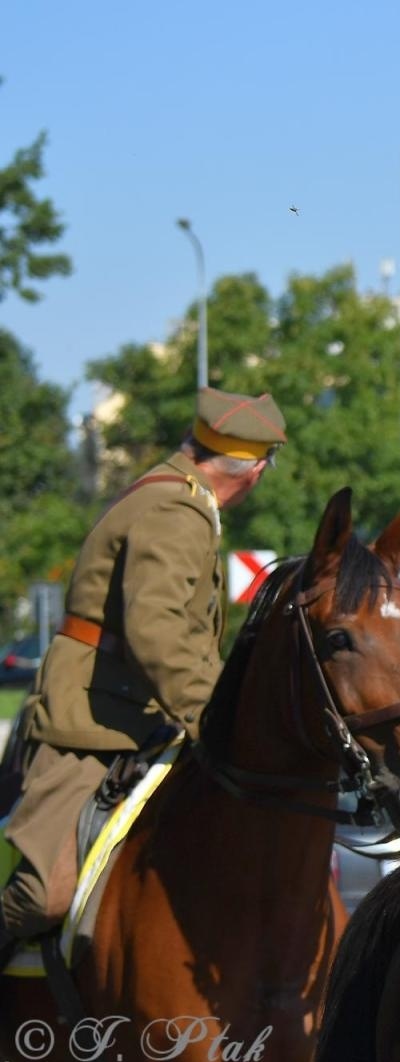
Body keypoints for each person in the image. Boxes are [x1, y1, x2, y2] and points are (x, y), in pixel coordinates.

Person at [0, 387, 286, 948]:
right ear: (255, 472)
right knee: (43, 892)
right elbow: (156, 631)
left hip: (135, 715)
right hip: (89, 723)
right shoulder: (176, 509)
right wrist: (217, 719)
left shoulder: (178, 496)